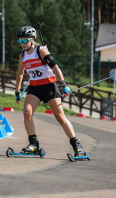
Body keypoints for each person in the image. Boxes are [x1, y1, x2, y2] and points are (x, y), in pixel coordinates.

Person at [15, 26, 85, 157]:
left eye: (25, 40)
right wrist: (17, 91)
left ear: (32, 39)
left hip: (49, 86)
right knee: (26, 113)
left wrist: (63, 83)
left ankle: (77, 145)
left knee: (60, 117)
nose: (23, 44)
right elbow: (20, 73)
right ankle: (34, 144)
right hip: (34, 88)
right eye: (20, 41)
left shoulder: (40, 50)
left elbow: (55, 67)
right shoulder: (23, 55)